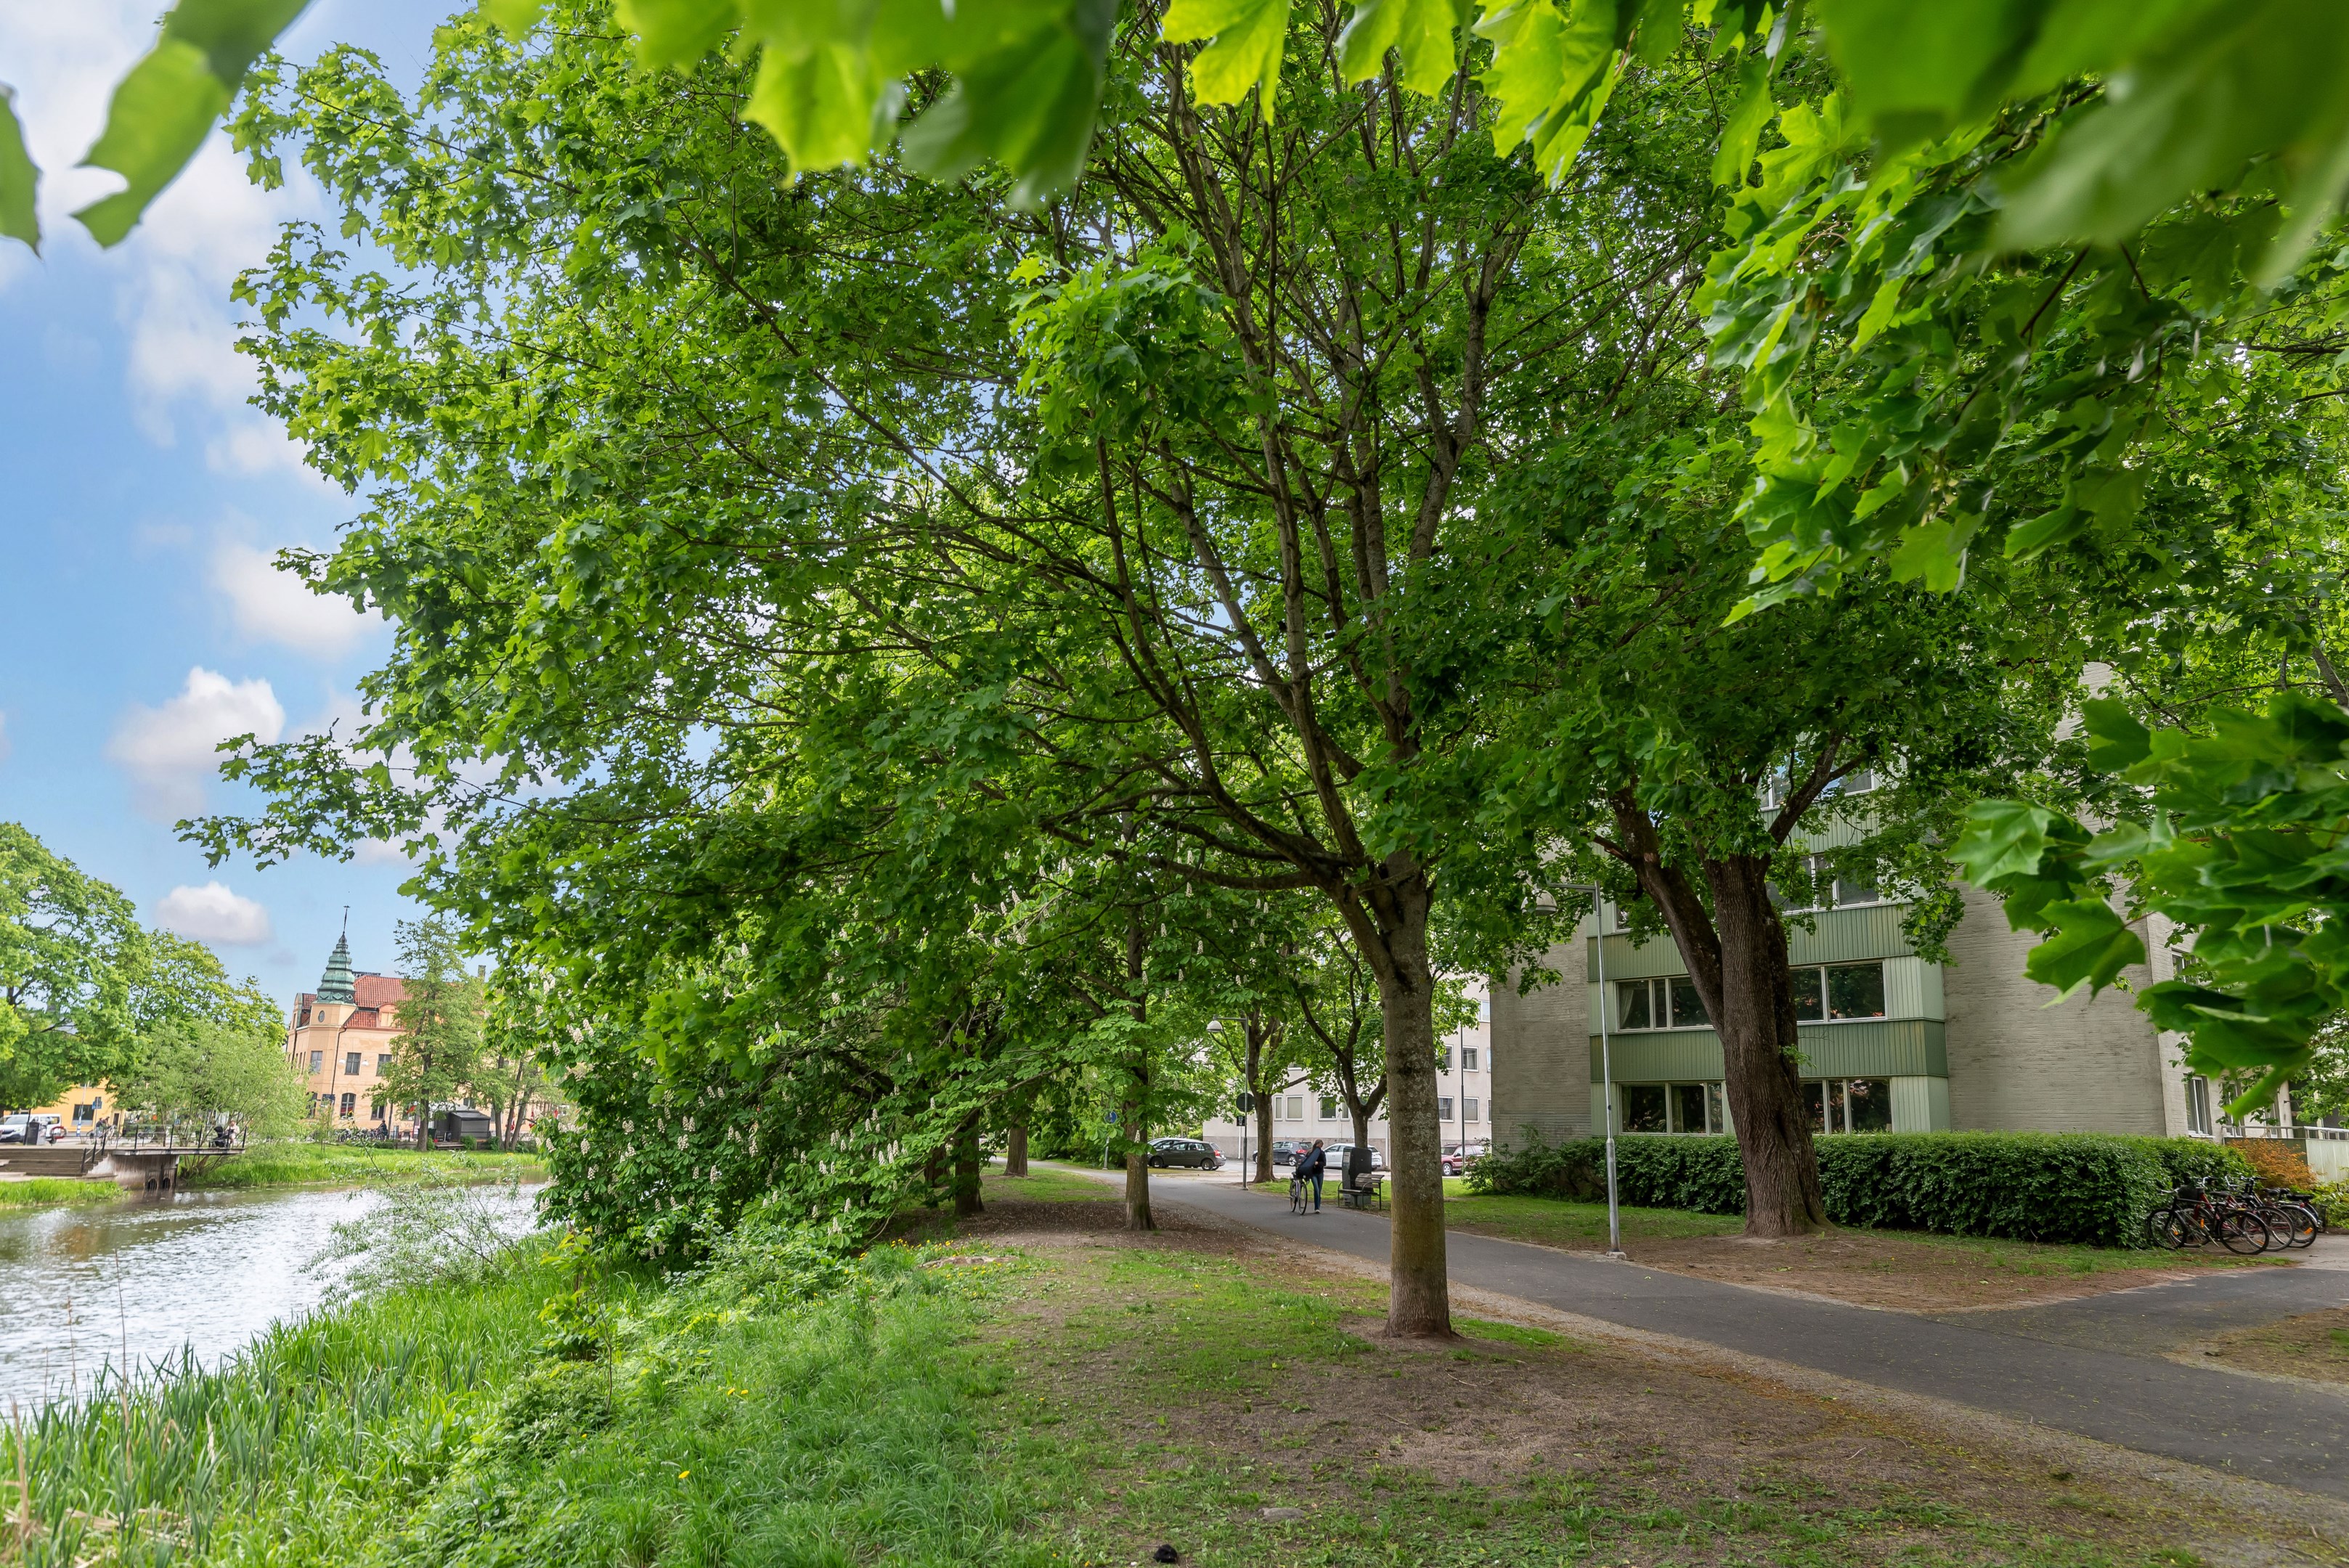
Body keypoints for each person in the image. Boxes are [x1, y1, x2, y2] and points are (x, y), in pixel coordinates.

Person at [1298, 1139, 1327, 1212]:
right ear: (1317, 1145)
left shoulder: (1322, 1153)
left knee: (1319, 1190)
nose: (1320, 1147)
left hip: (1320, 1173)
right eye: (1320, 1146)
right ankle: (1317, 1208)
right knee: (1316, 1189)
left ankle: (1318, 1207)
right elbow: (1306, 1161)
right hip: (1313, 1173)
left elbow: (1324, 1163)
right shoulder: (1310, 1153)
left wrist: (1318, 1163)